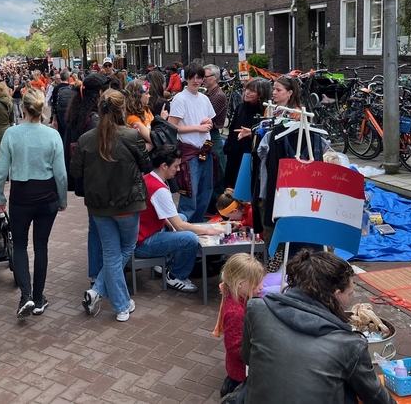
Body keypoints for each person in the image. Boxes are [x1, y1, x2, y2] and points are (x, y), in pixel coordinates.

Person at [242, 249, 396, 404]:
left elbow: (248, 358)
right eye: (349, 294)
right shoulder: (349, 344)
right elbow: (376, 397)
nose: (349, 300)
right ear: (336, 294)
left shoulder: (257, 308)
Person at [71, 89, 150, 322]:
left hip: (99, 206)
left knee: (112, 254)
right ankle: (120, 305)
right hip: (127, 203)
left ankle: (109, 298)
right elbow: (146, 165)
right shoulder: (131, 135)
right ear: (121, 109)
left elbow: (75, 171)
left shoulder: (87, 138)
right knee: (124, 250)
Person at [0, 89, 67, 319]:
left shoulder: (11, 134)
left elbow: (1, 171)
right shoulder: (53, 135)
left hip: (21, 196)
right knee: (41, 246)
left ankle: (25, 296)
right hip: (47, 196)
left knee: (20, 245)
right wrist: (62, 199)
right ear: (42, 109)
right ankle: (38, 298)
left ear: (22, 108)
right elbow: (61, 174)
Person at [134, 145, 221, 293]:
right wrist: (208, 230)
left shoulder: (148, 178)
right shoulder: (160, 189)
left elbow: (168, 216)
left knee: (181, 217)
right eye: (176, 166)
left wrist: (175, 226)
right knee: (189, 238)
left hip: (141, 234)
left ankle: (166, 261)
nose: (179, 169)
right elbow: (180, 227)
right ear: (164, 166)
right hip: (143, 243)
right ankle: (176, 276)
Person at [64, 72, 108, 283]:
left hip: (86, 180)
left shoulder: (77, 113)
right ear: (99, 93)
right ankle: (100, 272)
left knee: (94, 226)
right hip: (96, 180)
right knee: (100, 227)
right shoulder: (94, 119)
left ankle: (96, 271)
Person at [168, 63, 215, 223]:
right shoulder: (180, 99)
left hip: (205, 150)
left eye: (199, 77)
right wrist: (198, 128)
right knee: (189, 192)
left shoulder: (204, 98)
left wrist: (208, 122)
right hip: (190, 152)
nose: (196, 81)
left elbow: (210, 121)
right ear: (186, 79)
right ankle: (184, 227)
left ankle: (198, 225)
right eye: (192, 77)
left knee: (205, 191)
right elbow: (172, 126)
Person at [213, 253, 266, 397]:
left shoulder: (248, 295)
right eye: (256, 283)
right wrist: (259, 346)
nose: (261, 287)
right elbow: (234, 349)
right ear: (239, 284)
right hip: (242, 371)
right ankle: (231, 387)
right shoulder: (235, 313)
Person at [223, 78, 271, 188]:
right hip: (234, 153)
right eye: (247, 89)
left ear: (261, 94)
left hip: (250, 155)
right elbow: (232, 129)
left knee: (246, 186)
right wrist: (228, 148)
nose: (247, 93)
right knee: (231, 184)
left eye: (252, 91)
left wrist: (252, 134)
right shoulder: (240, 107)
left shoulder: (264, 111)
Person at [202, 64, 228, 215]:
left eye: (206, 76)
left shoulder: (218, 96)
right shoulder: (208, 93)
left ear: (215, 77)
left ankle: (217, 206)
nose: (203, 79)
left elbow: (205, 116)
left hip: (213, 134)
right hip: (208, 134)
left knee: (217, 169)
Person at [125, 79, 165, 150]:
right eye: (146, 93)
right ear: (137, 96)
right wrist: (162, 120)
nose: (149, 96)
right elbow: (155, 140)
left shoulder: (146, 109)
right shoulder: (133, 117)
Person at [50, 70, 73, 140]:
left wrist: (54, 118)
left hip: (60, 113)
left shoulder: (56, 89)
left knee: (61, 131)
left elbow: (53, 104)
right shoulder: (72, 87)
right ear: (68, 77)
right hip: (70, 112)